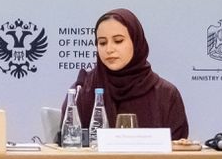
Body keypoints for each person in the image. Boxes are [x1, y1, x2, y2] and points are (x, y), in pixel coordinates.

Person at [70, 8, 188, 139]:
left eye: (118, 41)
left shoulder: (166, 95)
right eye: (102, 43)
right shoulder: (83, 89)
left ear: (136, 41)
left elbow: (178, 149)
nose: (109, 49)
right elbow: (68, 141)